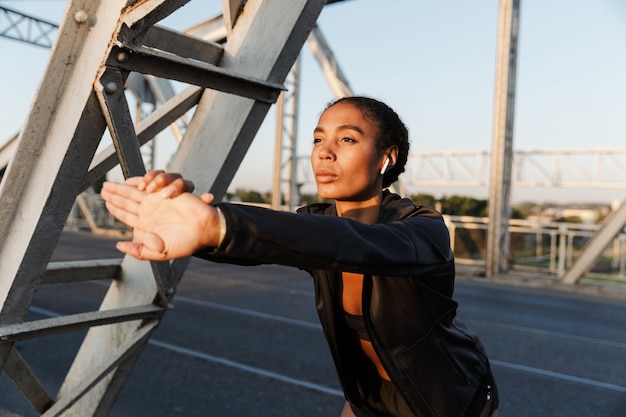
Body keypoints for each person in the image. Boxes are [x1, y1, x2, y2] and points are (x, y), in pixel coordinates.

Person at [101, 96, 499, 417]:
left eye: (346, 139)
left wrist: (218, 225)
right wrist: (203, 224)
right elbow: (272, 236)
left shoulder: (421, 228)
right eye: (317, 139)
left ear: (386, 158)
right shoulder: (315, 226)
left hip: (449, 401)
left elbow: (352, 243)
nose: (324, 152)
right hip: (369, 399)